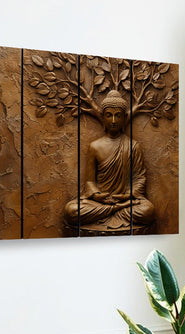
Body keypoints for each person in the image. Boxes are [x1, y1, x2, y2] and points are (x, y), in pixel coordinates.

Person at [64, 90, 154, 230]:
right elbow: (89, 181)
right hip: (100, 202)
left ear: (124, 118)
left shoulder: (133, 146)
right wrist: (97, 195)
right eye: (109, 115)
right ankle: (116, 210)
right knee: (71, 211)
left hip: (126, 200)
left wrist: (128, 195)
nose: (113, 120)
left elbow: (139, 178)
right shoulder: (94, 146)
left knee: (147, 211)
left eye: (118, 116)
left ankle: (114, 210)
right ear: (103, 117)